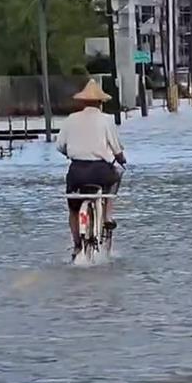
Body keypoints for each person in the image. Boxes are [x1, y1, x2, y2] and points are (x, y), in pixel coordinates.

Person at [55, 79, 127, 255]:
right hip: (100, 171)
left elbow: (60, 146)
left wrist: (71, 154)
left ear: (82, 102)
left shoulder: (71, 119)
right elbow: (116, 148)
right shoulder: (106, 120)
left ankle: (77, 245)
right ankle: (108, 216)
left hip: (76, 171)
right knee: (116, 177)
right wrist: (121, 159)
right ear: (100, 103)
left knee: (73, 208)